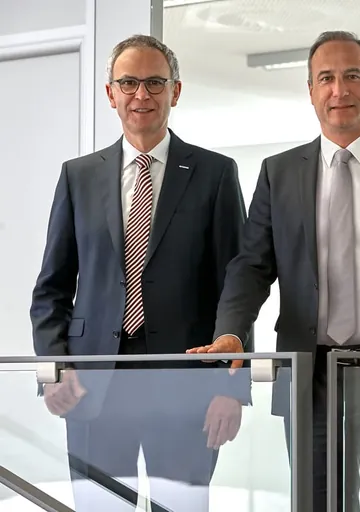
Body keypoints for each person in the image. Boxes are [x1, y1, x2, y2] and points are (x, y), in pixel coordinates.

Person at [188, 30, 360, 512]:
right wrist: (231, 332)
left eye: (352, 76)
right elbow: (252, 265)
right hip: (309, 376)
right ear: (311, 90)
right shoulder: (279, 172)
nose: (340, 90)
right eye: (326, 78)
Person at [30, 34, 249, 512]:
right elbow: (51, 290)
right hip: (92, 387)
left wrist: (232, 388)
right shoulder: (78, 176)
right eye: (128, 83)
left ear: (176, 91)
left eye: (155, 82)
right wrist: (54, 368)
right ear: (111, 94)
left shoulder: (215, 174)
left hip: (186, 387)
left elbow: (237, 287)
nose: (141, 95)